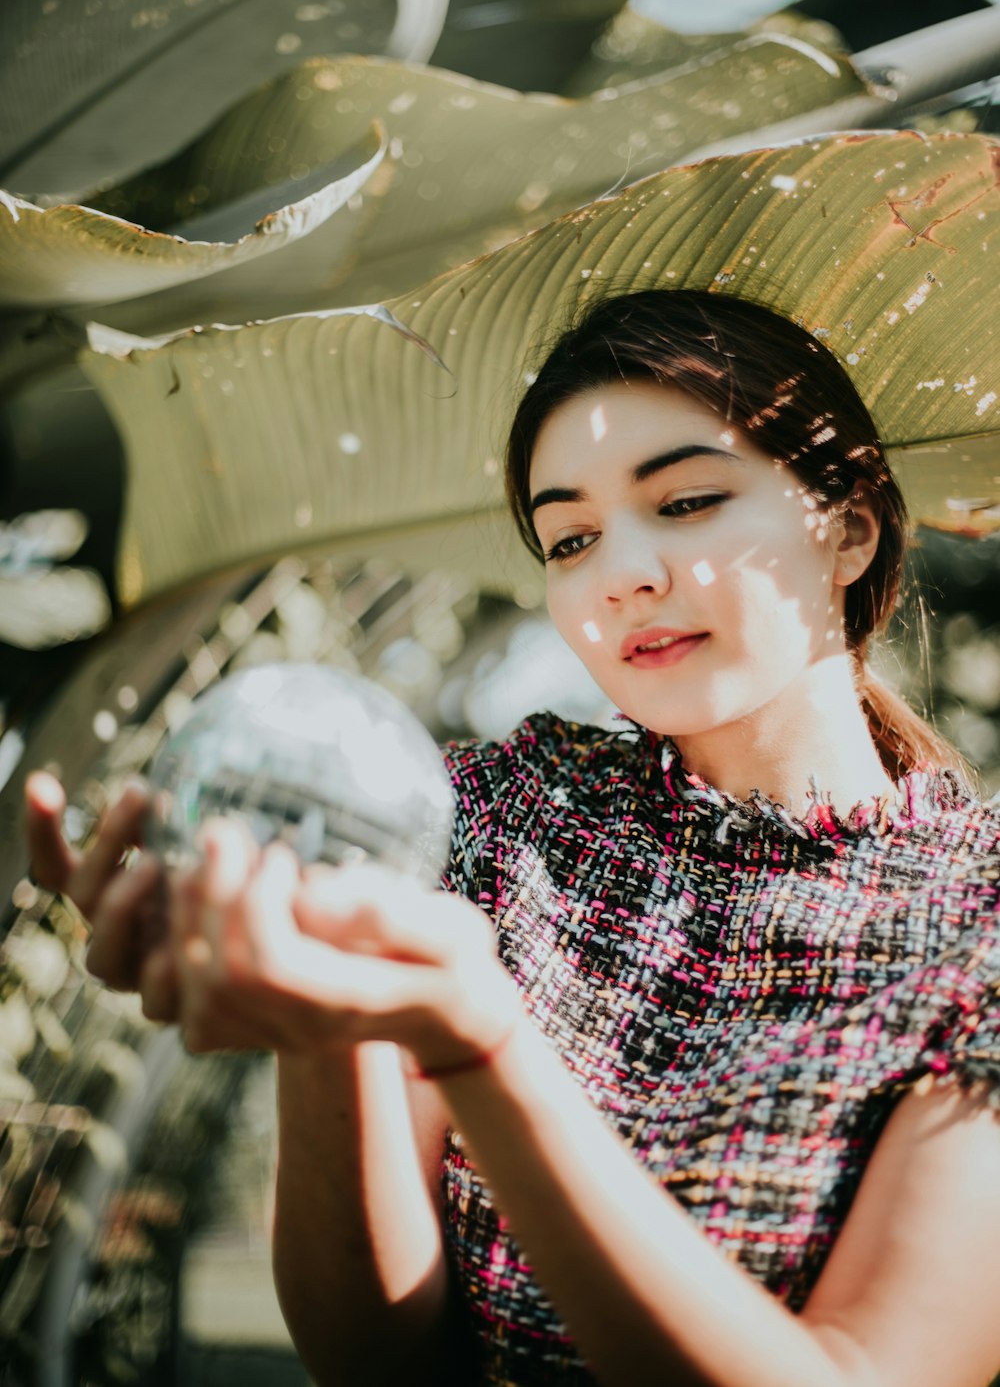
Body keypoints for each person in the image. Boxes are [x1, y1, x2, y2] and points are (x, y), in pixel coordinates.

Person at [25, 289, 1000, 1387]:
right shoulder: (481, 822)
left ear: (849, 527)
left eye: (683, 501)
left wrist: (483, 1049)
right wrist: (327, 1026)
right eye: (570, 536)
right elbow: (382, 1361)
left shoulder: (982, 925)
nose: (622, 575)